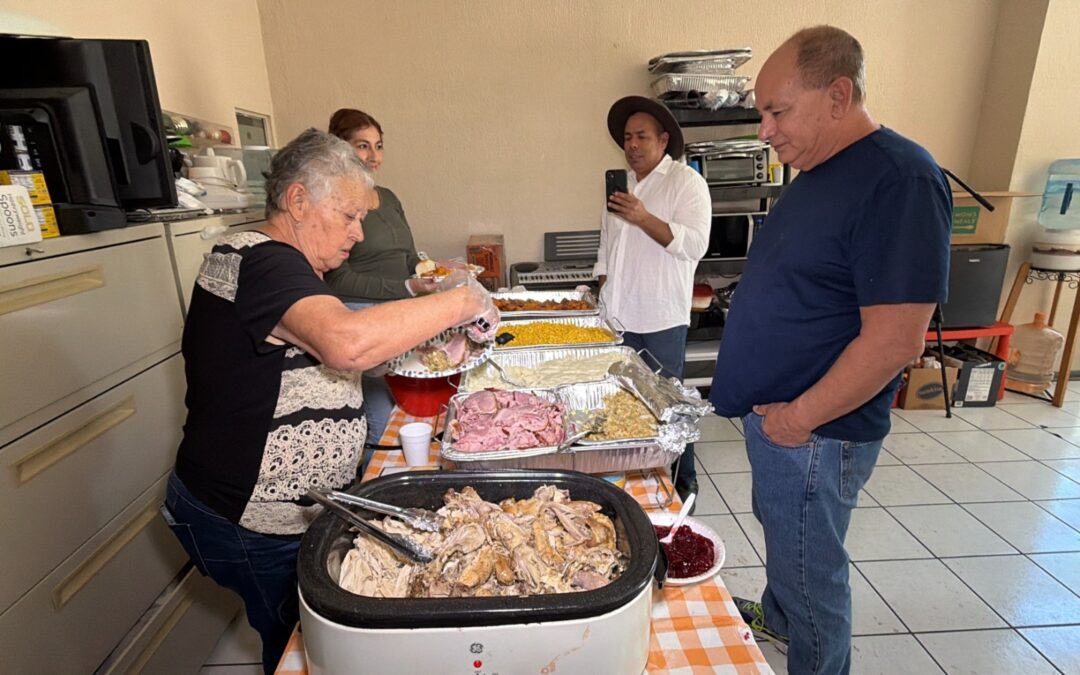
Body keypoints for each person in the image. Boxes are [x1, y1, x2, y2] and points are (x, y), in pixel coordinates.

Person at [163, 128, 498, 673]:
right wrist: (462, 300)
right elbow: (346, 345)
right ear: (298, 200)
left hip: (287, 506)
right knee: (301, 645)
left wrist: (431, 339)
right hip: (249, 517)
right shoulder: (261, 260)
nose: (358, 234)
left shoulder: (289, 269)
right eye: (348, 216)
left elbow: (325, 354)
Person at [709, 26, 951, 675]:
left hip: (816, 433)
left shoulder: (899, 179)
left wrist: (798, 418)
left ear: (838, 95)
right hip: (785, 423)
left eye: (776, 111)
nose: (764, 130)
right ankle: (779, 617)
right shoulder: (818, 169)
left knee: (814, 575)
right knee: (788, 547)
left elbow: (896, 338)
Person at [595, 95, 711, 502]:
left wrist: (643, 217)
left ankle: (684, 478)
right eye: (627, 137)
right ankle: (638, 479)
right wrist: (601, 294)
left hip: (661, 315)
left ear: (663, 140)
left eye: (642, 136)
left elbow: (695, 245)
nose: (632, 145)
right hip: (619, 315)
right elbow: (607, 245)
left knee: (670, 402)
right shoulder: (621, 183)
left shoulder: (686, 182)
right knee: (626, 403)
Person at [324, 108, 419, 445]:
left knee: (412, 411)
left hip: (402, 315)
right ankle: (370, 489)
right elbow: (336, 281)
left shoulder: (388, 197)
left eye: (378, 146)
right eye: (362, 146)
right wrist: (406, 288)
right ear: (339, 148)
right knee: (380, 421)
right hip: (361, 319)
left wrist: (431, 273)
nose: (373, 155)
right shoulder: (333, 202)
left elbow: (409, 256)